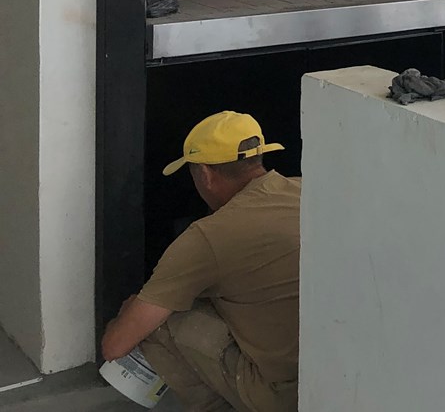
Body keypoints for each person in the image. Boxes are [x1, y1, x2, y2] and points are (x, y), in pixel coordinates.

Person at [101, 111, 301, 412]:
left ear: (205, 174)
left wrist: (124, 316)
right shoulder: (305, 191)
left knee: (158, 325)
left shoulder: (208, 237)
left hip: (282, 397)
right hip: (330, 384)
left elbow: (115, 346)